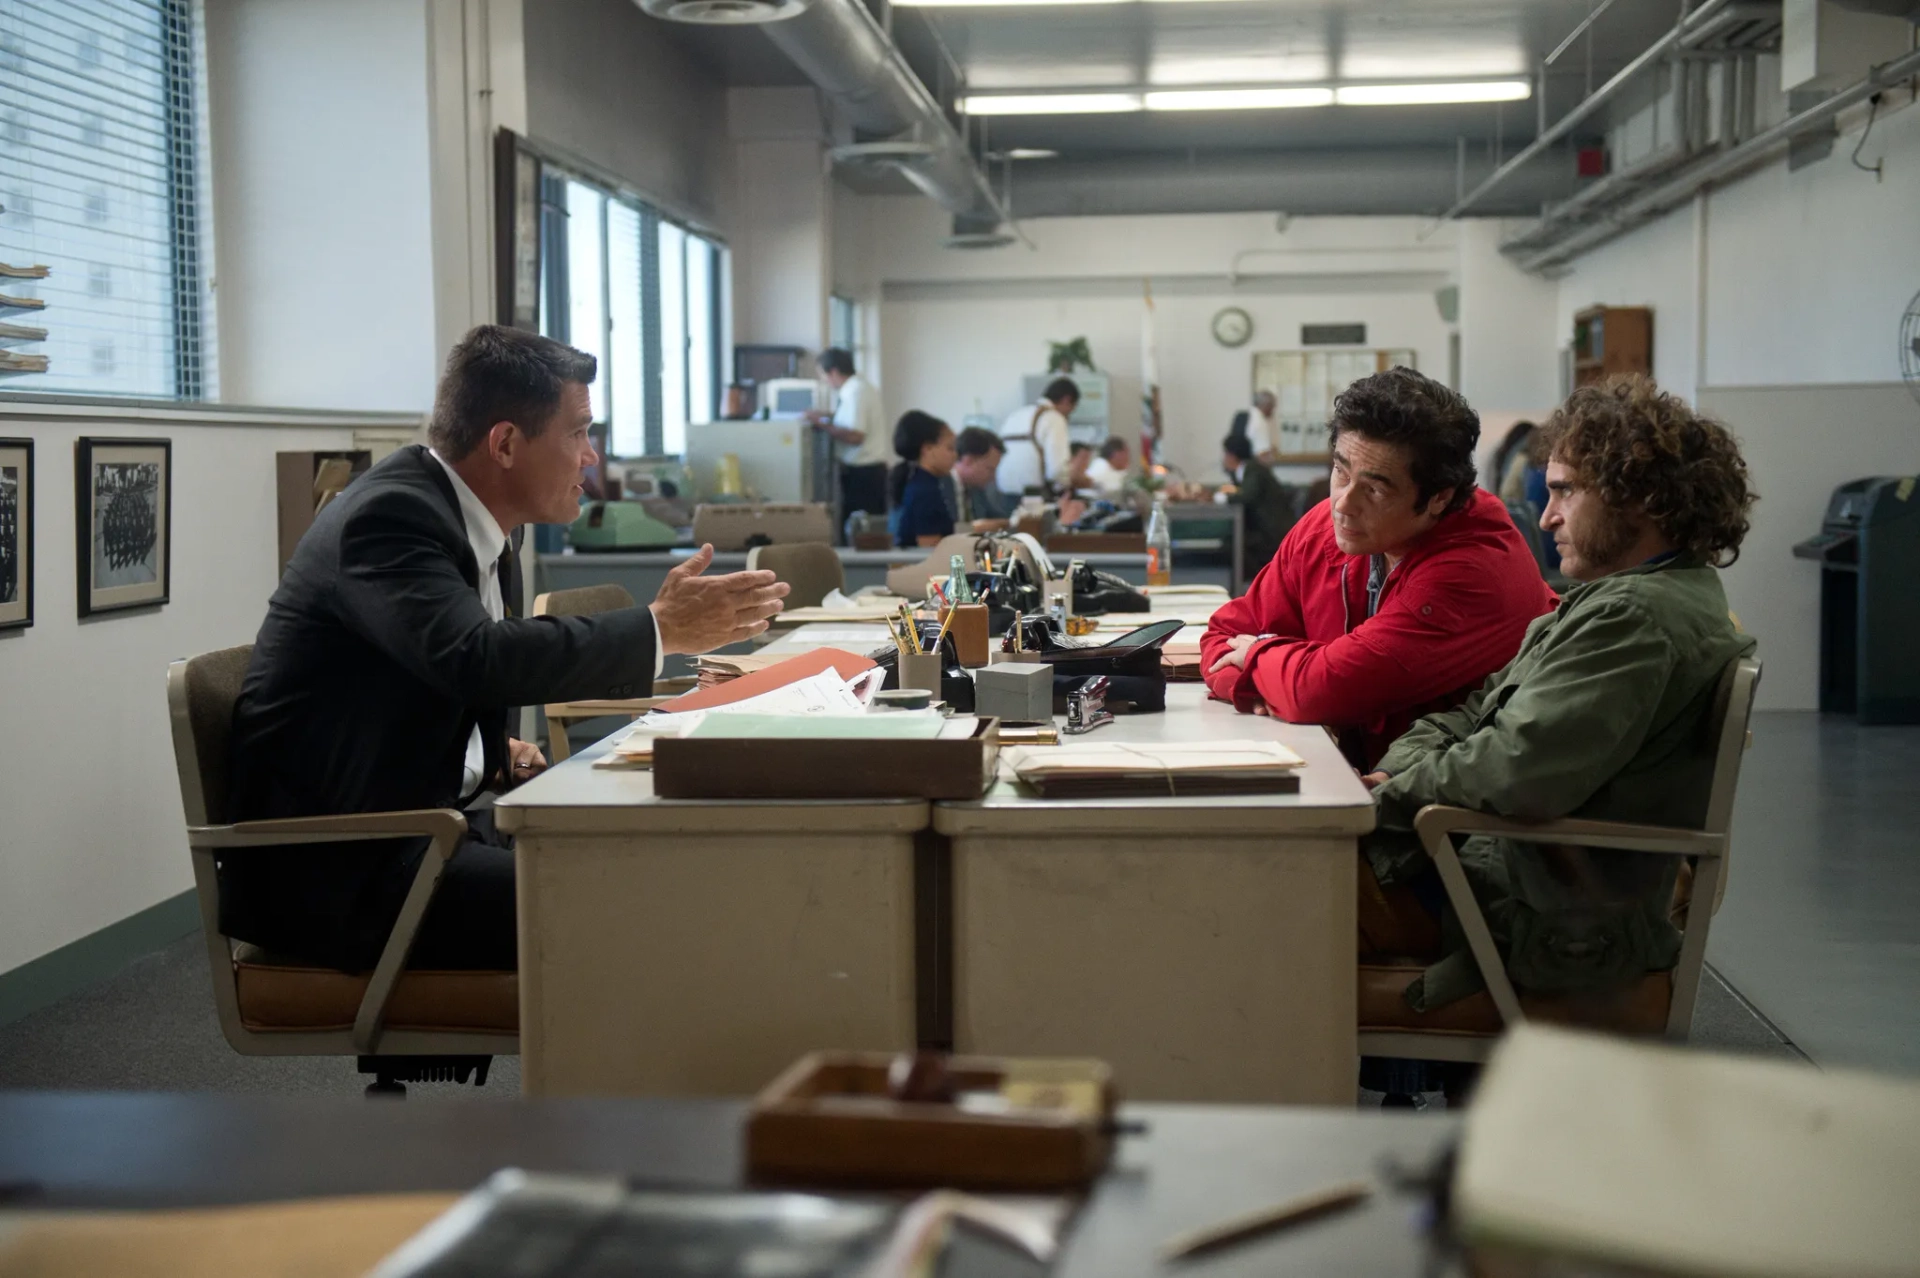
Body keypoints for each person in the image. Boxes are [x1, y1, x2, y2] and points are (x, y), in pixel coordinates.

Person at [223, 326, 790, 972]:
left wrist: (491, 753)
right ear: (506, 444)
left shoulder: (484, 529)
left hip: (426, 828)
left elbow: (431, 675)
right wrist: (660, 629)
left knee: (653, 854)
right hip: (345, 873)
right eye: (578, 433)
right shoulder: (390, 519)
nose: (592, 458)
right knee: (639, 897)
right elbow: (476, 658)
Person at [1359, 374, 1757, 1015]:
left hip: (1522, 909)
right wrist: (1396, 774)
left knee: (1269, 885)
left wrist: (1382, 797)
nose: (1546, 517)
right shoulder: (1625, 600)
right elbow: (1473, 713)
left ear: (1642, 498)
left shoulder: (1636, 618)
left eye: (1566, 492)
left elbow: (1518, 769)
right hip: (1510, 881)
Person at [1200, 367, 1556, 770]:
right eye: (1340, 471)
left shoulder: (1475, 568)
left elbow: (1320, 691)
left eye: (1375, 488)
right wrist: (1259, 686)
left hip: (1441, 810)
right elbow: (1224, 635)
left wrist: (1263, 660)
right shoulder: (1327, 526)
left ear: (1439, 497)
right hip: (1350, 773)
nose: (1343, 504)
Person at [805, 348, 888, 529]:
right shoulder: (858, 388)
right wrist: (827, 417)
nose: (824, 381)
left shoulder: (855, 392)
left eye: (823, 375)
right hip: (864, 472)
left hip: (864, 474)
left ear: (833, 372)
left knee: (861, 530)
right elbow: (848, 421)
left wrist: (822, 424)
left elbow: (855, 435)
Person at [1217, 432, 1294, 576]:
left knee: (1233, 543)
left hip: (1272, 533)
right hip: (1267, 529)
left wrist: (1222, 498)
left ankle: (1258, 583)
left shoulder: (1254, 470)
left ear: (1232, 455)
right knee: (1231, 539)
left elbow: (1247, 496)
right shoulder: (1248, 470)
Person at [997, 377, 1078, 496]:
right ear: (1066, 400)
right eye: (1071, 410)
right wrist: (1071, 485)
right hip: (1033, 497)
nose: (1069, 416)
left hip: (1001, 493)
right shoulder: (1054, 418)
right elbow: (1057, 471)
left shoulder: (1015, 415)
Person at [889, 410, 959, 548]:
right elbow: (929, 550)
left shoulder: (926, 484)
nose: (955, 455)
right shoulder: (924, 492)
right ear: (927, 449)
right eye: (950, 448)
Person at [952, 426, 1019, 524]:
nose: (993, 477)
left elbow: (993, 517)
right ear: (968, 461)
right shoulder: (941, 487)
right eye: (990, 469)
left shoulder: (976, 489)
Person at [1244, 389, 1280, 464]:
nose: (1273, 411)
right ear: (1266, 406)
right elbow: (1263, 454)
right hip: (1256, 468)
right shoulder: (1260, 422)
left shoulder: (1250, 416)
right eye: (1273, 407)